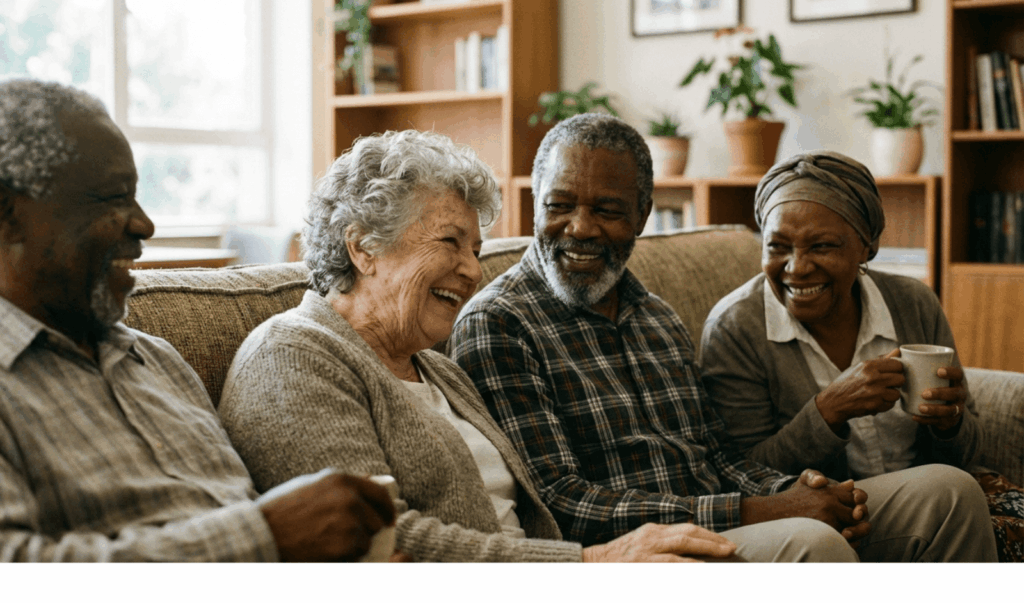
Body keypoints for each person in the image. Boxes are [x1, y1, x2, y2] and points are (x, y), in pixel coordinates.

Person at [449, 112, 997, 562]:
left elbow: (716, 457)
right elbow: (557, 502)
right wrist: (766, 510)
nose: (581, 227)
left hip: (724, 514)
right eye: (559, 205)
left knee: (947, 494)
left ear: (643, 216)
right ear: (535, 203)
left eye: (607, 210)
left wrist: (795, 491)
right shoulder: (499, 324)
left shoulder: (656, 317)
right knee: (813, 541)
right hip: (641, 547)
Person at [218, 129, 740, 562]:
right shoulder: (292, 355)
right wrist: (588, 564)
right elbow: (375, 538)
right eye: (450, 242)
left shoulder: (439, 371)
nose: (472, 271)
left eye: (476, 248)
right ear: (363, 247)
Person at [0, 78, 397, 562]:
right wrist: (267, 536)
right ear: (9, 217)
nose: (145, 224)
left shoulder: (156, 359)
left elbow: (236, 512)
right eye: (111, 198)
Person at [699, 149, 1022, 561]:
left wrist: (951, 423)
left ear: (867, 246)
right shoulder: (736, 328)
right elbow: (739, 475)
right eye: (777, 246)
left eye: (822, 245)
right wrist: (827, 411)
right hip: (825, 525)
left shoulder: (912, 303)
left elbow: (969, 455)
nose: (796, 268)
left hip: (923, 504)